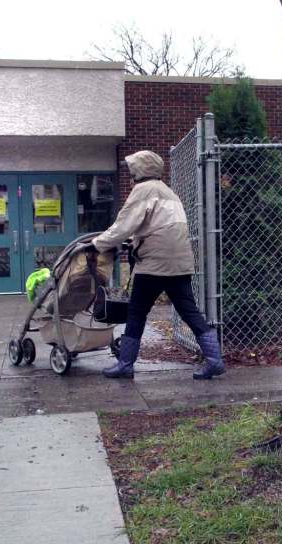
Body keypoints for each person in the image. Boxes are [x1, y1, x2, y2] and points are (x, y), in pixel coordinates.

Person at [90, 150, 225, 380]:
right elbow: (163, 227)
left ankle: (125, 364)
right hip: (179, 261)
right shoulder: (169, 193)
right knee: (189, 311)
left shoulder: (143, 190)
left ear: (139, 170)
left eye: (132, 169)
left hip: (153, 264)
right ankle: (215, 360)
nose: (130, 173)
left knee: (136, 312)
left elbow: (124, 225)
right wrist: (137, 240)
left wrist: (97, 244)